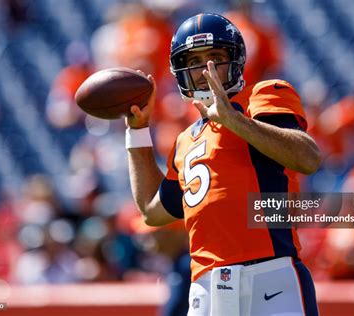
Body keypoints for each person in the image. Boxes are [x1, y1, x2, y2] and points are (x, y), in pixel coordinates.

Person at [124, 13, 321, 315]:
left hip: (270, 275)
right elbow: (152, 210)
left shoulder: (263, 95)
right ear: (181, 71)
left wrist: (233, 119)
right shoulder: (184, 141)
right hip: (205, 288)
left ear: (237, 59)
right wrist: (137, 131)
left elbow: (308, 158)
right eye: (195, 62)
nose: (206, 70)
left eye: (215, 57)